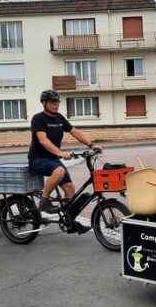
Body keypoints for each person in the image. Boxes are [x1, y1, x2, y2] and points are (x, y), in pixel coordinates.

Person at [29, 90, 102, 232]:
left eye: (57, 102)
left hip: (53, 159)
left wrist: (91, 145)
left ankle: (69, 221)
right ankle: (44, 202)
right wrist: (60, 153)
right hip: (38, 159)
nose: (56, 105)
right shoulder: (38, 119)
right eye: (52, 102)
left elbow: (75, 132)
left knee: (70, 190)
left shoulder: (59, 118)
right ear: (44, 103)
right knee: (60, 170)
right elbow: (43, 141)